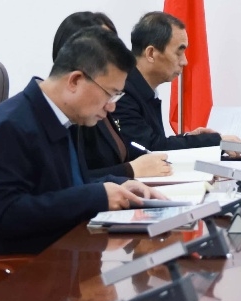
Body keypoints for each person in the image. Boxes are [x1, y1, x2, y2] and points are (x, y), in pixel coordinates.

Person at [0, 27, 163, 257]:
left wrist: (118, 185)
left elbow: (66, 185)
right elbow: (7, 215)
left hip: (66, 255)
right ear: (75, 81)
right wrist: (96, 196)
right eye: (110, 94)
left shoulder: (64, 117)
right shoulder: (10, 126)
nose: (111, 107)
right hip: (21, 268)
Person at [51, 12, 172, 180]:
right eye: (105, 45)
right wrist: (129, 170)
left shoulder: (101, 104)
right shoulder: (69, 115)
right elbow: (72, 181)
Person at [114, 11, 241, 152]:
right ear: (151, 53)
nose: (185, 62)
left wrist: (189, 138)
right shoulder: (121, 93)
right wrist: (213, 141)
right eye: (178, 53)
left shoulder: (140, 89)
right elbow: (149, 149)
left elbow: (156, 142)